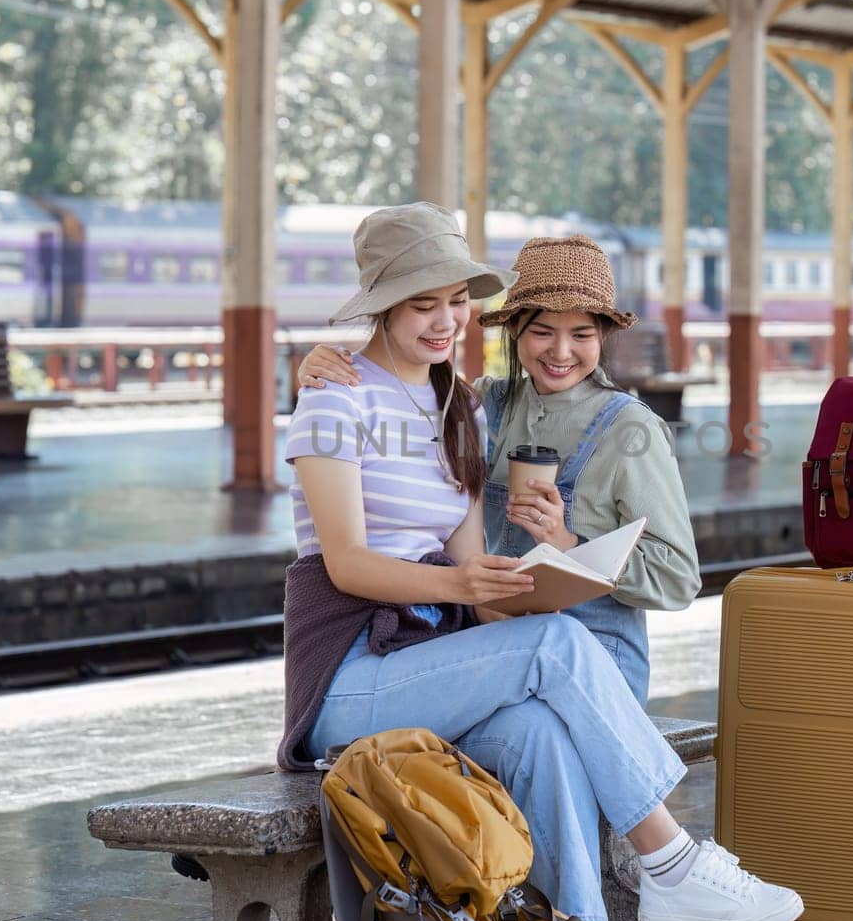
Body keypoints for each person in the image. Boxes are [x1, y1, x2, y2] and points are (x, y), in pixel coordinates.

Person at [282, 203, 801, 921]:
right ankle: (669, 859)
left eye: (456, 301)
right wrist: (483, 595)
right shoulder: (335, 397)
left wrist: (526, 587)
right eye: (422, 303)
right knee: (554, 645)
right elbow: (346, 565)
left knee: (542, 728)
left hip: (430, 660)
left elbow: (475, 581)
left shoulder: (457, 408)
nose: (444, 321)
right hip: (349, 677)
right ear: (381, 306)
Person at [297, 234, 699, 706]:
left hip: (595, 655)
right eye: (542, 331)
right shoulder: (481, 405)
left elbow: (680, 579)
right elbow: (405, 379)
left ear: (604, 336)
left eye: (582, 335)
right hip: (491, 645)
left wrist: (566, 544)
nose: (561, 351)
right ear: (513, 331)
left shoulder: (630, 428)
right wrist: (322, 362)